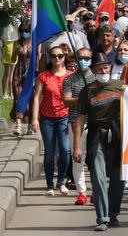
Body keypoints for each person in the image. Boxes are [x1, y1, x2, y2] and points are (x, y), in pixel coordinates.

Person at [72, 51, 125, 231]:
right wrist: (77, 146)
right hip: (96, 135)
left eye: (106, 67)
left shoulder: (121, 86)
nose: (103, 70)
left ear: (110, 67)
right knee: (98, 176)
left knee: (119, 178)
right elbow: (79, 119)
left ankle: (113, 213)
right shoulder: (87, 91)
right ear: (93, 70)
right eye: (99, 68)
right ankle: (102, 218)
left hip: (118, 135)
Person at [30, 43, 73, 196]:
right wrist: (34, 118)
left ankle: (61, 181)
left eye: (60, 56)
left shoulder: (70, 76)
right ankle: (49, 184)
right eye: (53, 56)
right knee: (49, 152)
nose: (57, 58)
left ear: (64, 57)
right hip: (47, 118)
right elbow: (36, 98)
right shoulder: (43, 76)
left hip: (65, 117)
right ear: (49, 58)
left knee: (65, 150)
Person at [62, 47, 94, 205]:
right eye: (81, 57)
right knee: (77, 158)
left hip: (94, 123)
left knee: (95, 159)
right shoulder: (69, 79)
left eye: (87, 58)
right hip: (75, 123)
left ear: (91, 59)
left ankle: (96, 190)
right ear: (75, 58)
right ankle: (82, 192)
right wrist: (83, 99)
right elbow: (66, 100)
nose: (84, 61)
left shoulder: (96, 79)